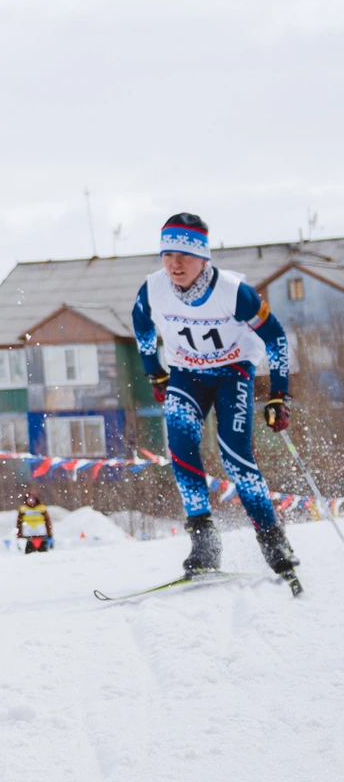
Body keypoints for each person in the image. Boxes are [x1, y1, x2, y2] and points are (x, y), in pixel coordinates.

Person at [130, 212, 301, 592]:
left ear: (203, 258)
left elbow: (275, 339)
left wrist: (279, 393)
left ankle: (273, 541)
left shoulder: (233, 292)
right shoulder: (152, 288)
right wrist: (153, 371)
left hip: (232, 371)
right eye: (167, 254)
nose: (175, 264)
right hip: (186, 374)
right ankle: (204, 543)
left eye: (185, 256)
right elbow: (141, 325)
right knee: (181, 447)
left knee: (235, 455)